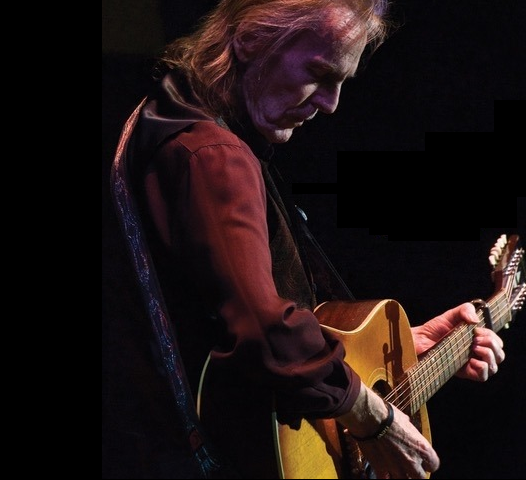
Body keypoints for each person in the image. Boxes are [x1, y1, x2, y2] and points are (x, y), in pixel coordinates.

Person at [102, 0, 505, 478]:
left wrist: (399, 349)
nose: (331, 103)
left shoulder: (173, 119)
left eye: (342, 81)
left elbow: (212, 317)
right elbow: (265, 329)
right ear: (251, 39)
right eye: (319, 72)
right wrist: (372, 417)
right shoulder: (214, 155)